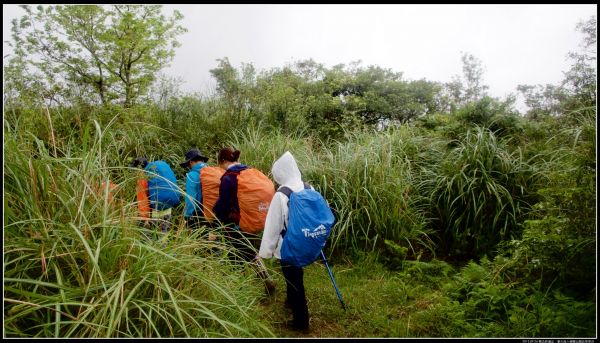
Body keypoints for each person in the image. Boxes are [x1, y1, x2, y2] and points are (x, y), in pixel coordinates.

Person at [258, 151, 311, 333]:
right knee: (296, 275)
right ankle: (290, 301)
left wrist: (266, 251)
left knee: (295, 280)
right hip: (305, 241)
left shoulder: (281, 194)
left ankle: (301, 322)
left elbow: (273, 226)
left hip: (287, 245)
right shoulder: (308, 187)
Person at [213, 147, 276, 296]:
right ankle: (266, 279)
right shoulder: (250, 171)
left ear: (222, 161)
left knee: (235, 257)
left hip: (236, 223)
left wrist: (216, 219)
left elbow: (224, 204)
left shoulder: (228, 177)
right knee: (249, 251)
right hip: (254, 219)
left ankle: (240, 292)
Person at [131, 157, 180, 237]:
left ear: (139, 168)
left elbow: (142, 199)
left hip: (156, 212)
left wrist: (144, 218)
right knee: (164, 236)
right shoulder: (158, 169)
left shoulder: (143, 176)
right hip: (168, 208)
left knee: (153, 239)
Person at [180, 149, 210, 230]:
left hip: (198, 213)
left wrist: (187, 215)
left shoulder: (192, 175)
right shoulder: (211, 171)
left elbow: (191, 197)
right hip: (213, 212)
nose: (189, 168)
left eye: (188, 165)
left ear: (191, 162)